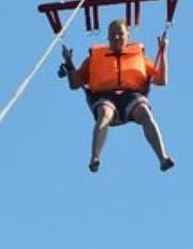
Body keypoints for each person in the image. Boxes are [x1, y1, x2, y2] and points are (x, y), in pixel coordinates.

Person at [61, 19, 174, 173]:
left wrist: (163, 51)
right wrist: (68, 63)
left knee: (145, 112)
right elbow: (75, 84)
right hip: (103, 96)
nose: (116, 37)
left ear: (128, 36)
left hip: (131, 96)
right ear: (108, 38)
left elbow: (161, 80)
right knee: (105, 113)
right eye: (112, 35)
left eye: (120, 34)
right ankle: (95, 157)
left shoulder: (139, 57)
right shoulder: (95, 57)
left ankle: (163, 157)